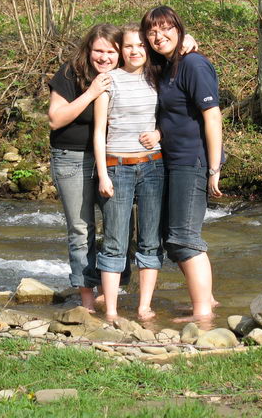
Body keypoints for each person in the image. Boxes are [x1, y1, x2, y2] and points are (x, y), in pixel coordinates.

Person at [48, 23, 197, 313]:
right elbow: (55, 119)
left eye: (110, 52)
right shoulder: (72, 73)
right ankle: (87, 299)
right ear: (88, 50)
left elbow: (161, 48)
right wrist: (92, 91)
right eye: (98, 51)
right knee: (82, 229)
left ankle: (109, 293)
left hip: (118, 158)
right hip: (74, 157)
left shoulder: (134, 71)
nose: (104, 57)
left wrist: (186, 41)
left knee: (121, 228)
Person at [141, 5, 224, 322]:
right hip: (171, 161)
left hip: (193, 161)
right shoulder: (165, 67)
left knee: (184, 238)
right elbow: (177, 116)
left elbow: (211, 116)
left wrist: (213, 168)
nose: (159, 36)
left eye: (166, 29)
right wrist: (159, 133)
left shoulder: (193, 64)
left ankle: (202, 314)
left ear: (178, 29)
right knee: (172, 237)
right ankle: (208, 300)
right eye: (152, 31)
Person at [93, 24, 164, 321]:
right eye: (128, 46)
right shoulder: (109, 80)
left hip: (153, 165)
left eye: (141, 45)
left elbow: (173, 116)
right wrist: (103, 174)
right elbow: (99, 131)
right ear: (120, 50)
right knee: (115, 241)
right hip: (117, 166)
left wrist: (159, 134)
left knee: (150, 240)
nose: (135, 51)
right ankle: (111, 311)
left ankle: (144, 307)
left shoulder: (158, 77)